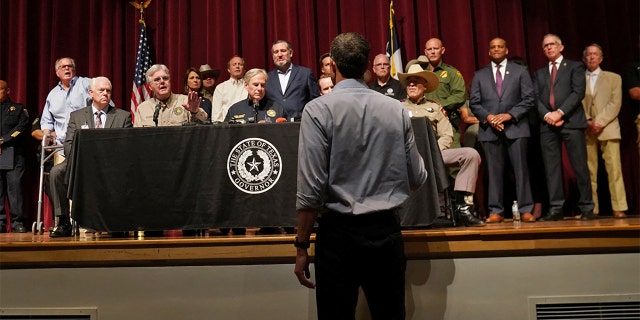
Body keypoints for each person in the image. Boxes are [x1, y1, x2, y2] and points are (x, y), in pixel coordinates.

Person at [295, 32, 427, 319]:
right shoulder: (396, 108)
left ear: (332, 66)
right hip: (386, 232)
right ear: (367, 64)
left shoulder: (318, 110)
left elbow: (310, 189)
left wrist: (301, 245)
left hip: (338, 236)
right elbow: (417, 176)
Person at [399, 64, 484, 227]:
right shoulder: (398, 107)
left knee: (471, 154)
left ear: (424, 86)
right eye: (409, 82)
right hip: (407, 157)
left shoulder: (435, 107)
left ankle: (462, 207)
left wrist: (433, 152)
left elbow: (447, 134)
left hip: (434, 154)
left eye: (416, 81)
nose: (411, 85)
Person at [49, 77, 133, 237]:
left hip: (112, 165)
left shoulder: (123, 116)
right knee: (56, 173)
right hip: (81, 163)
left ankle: (116, 221)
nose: (105, 94)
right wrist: (83, 160)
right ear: (91, 93)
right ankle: (64, 221)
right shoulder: (77, 116)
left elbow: (127, 146)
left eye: (108, 91)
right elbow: (68, 144)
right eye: (101, 90)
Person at [469, 37, 536, 223]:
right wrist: (490, 118)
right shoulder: (479, 75)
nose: (496, 49)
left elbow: (529, 99)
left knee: (521, 170)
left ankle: (526, 210)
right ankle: (496, 211)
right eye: (493, 47)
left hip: (516, 127)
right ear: (489, 52)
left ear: (506, 50)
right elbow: (474, 102)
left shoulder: (520, 71)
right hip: (490, 130)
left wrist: (509, 115)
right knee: (494, 172)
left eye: (500, 46)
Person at [533, 34, 595, 221]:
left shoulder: (575, 66)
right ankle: (556, 209)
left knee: (580, 166)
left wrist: (559, 113)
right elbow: (535, 98)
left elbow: (578, 92)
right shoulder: (539, 73)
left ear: (561, 47)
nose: (549, 48)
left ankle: (586, 207)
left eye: (552, 44)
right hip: (548, 125)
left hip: (571, 122)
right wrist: (547, 115)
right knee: (552, 169)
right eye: (545, 46)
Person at [581, 44, 627, 218]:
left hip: (608, 128)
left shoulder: (614, 78)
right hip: (586, 129)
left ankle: (619, 207)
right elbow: (576, 101)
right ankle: (591, 208)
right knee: (588, 170)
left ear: (601, 58)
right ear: (584, 58)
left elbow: (615, 103)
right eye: (589, 55)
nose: (592, 57)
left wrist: (599, 122)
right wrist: (588, 120)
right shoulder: (578, 78)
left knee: (614, 169)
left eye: (595, 54)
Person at [40, 57, 93, 150]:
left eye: (69, 66)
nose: (67, 68)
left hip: (87, 143)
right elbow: (46, 120)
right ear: (57, 72)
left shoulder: (87, 84)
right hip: (61, 147)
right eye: (63, 67)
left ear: (74, 70)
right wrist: (47, 136)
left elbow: (105, 107)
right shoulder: (52, 94)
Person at [133, 64, 208, 127]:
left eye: (165, 78)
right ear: (150, 86)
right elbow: (137, 137)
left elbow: (204, 124)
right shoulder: (143, 109)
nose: (162, 81)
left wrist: (195, 112)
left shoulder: (185, 101)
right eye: (157, 80)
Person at [0, 80, 29, 233]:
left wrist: (3, 140)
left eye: (0, 89)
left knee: (15, 188)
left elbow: (21, 128)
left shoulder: (18, 109)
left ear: (8, 90)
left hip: (12, 152)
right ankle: (0, 222)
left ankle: (17, 221)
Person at [265, 40, 320, 120]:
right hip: (274, 126)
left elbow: (315, 100)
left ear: (290, 53)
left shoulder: (305, 73)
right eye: (276, 52)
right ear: (273, 56)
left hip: (300, 124)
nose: (279, 55)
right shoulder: (267, 78)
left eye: (283, 51)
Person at [422, 38, 467, 135]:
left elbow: (460, 95)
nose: (433, 52)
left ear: (442, 50)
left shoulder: (452, 72)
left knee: (451, 150)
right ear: (425, 52)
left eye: (436, 48)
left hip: (447, 121)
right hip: (425, 124)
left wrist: (438, 106)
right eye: (430, 49)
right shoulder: (421, 74)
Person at [211, 56, 248, 123]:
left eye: (240, 64)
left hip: (245, 125)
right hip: (226, 126)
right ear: (228, 69)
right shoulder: (221, 88)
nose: (237, 66)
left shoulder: (249, 86)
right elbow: (216, 114)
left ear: (244, 69)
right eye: (234, 64)